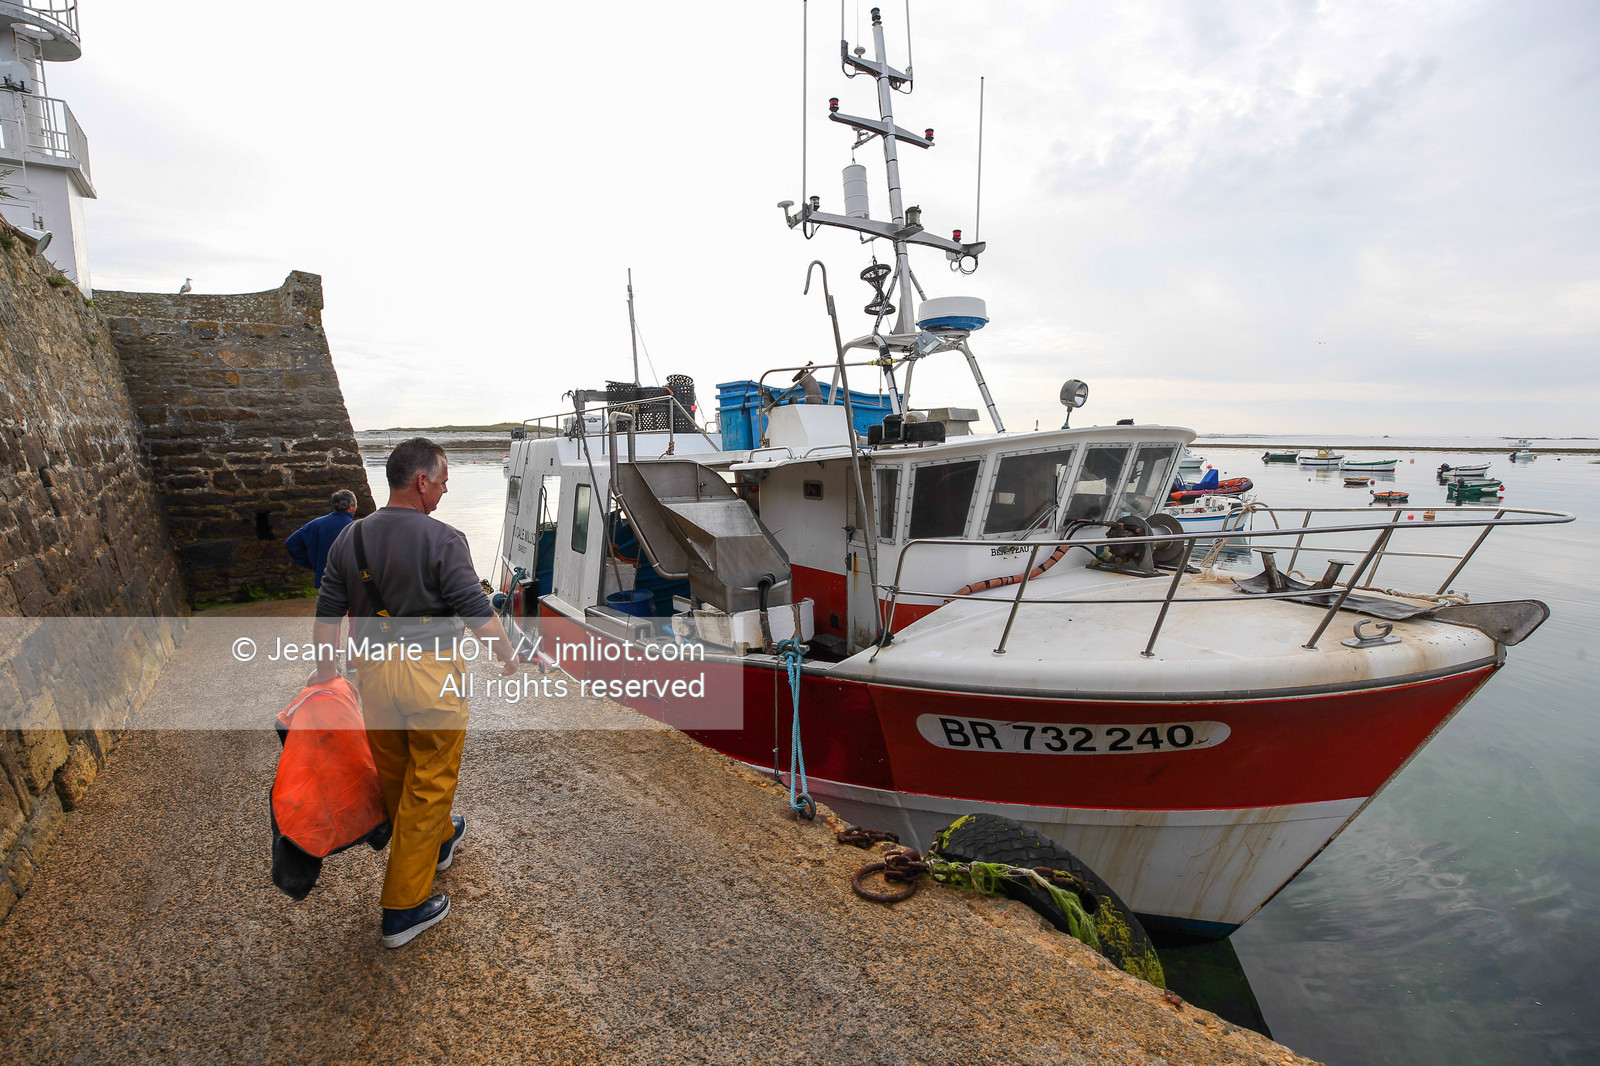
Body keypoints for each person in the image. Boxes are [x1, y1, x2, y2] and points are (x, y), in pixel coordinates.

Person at [309, 438, 519, 948]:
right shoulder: (444, 538)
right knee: (431, 779)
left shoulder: (350, 538)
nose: (445, 491)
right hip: (431, 675)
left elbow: (327, 616)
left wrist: (325, 674)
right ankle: (403, 908)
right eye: (443, 482)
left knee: (398, 772)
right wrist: (507, 654)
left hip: (374, 674)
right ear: (421, 481)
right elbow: (475, 610)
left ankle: (440, 839)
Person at [286, 489, 359, 588]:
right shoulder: (355, 527)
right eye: (356, 504)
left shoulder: (316, 523)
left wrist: (313, 562)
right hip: (349, 579)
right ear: (351, 506)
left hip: (324, 578)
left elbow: (291, 542)